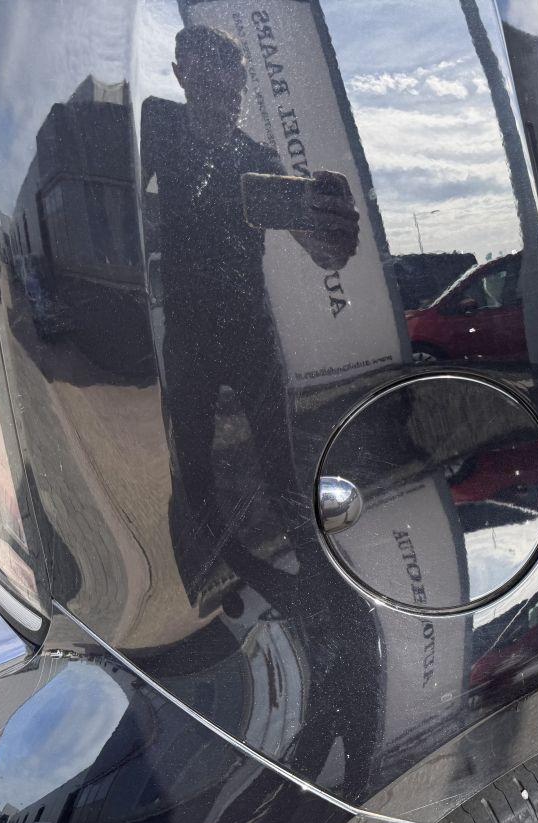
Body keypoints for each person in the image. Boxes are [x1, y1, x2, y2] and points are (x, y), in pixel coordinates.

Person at [141, 24, 359, 610]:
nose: (225, 88)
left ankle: (318, 585)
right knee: (192, 465)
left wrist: (334, 234)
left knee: (280, 464)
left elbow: (321, 252)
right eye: (208, 73)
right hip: (189, 331)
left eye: (232, 76)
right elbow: (128, 202)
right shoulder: (159, 125)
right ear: (183, 74)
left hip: (249, 332)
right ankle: (221, 579)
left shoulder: (257, 159)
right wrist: (151, 228)